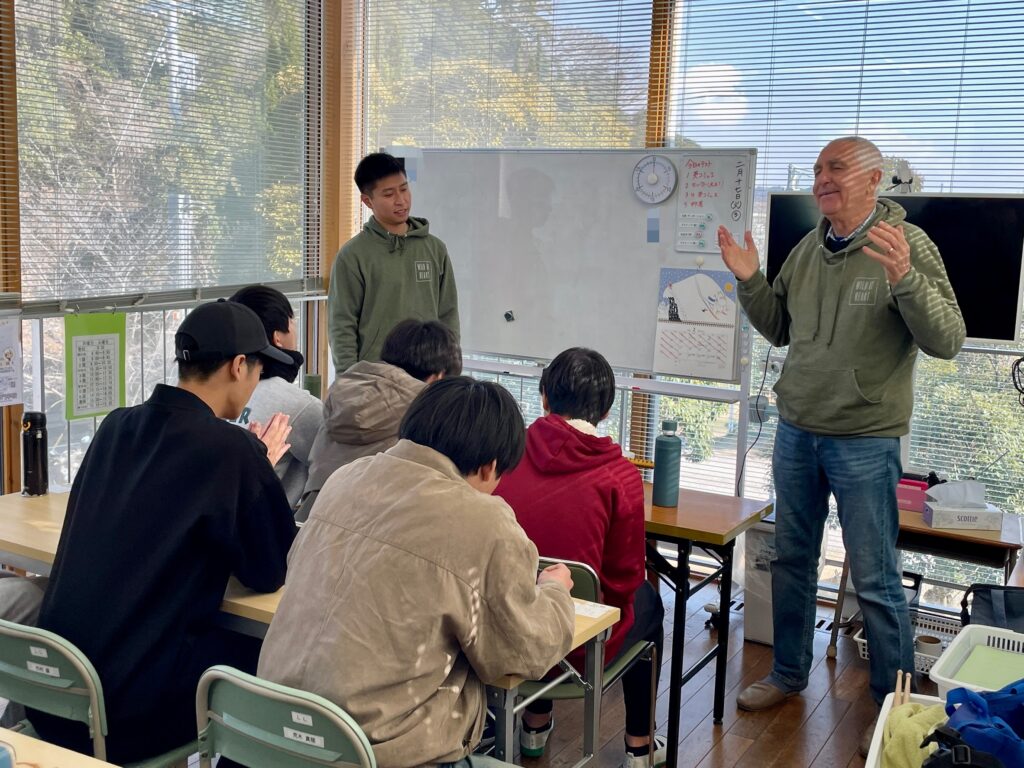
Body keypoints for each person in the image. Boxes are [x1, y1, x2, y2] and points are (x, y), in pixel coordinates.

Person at [717, 136, 965, 754]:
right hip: (797, 430)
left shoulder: (906, 244)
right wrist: (750, 280)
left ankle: (892, 710)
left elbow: (948, 340)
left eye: (837, 167)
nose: (822, 178)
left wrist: (905, 279)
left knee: (876, 578)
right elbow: (778, 327)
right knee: (793, 559)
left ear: (874, 179)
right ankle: (787, 673)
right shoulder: (808, 248)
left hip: (866, 439)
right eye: (817, 169)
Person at [29, 300, 298, 763]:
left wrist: (248, 465)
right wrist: (257, 466)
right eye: (258, 370)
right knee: (273, 653)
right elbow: (270, 570)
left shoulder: (116, 425)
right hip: (127, 718)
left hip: (54, 693)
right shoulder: (231, 450)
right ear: (239, 366)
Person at [259, 377, 575, 768]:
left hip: (268, 730)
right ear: (491, 466)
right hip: (371, 749)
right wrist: (555, 591)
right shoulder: (483, 519)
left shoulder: (346, 478)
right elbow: (523, 652)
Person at [494, 347, 665, 768]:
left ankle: (534, 725)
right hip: (577, 649)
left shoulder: (504, 455)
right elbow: (625, 579)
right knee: (648, 601)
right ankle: (640, 746)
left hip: (503, 630)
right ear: (605, 411)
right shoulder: (621, 476)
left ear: (544, 397)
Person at [297, 318, 462, 521]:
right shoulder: (424, 416)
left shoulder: (346, 392)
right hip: (367, 529)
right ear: (438, 377)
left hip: (308, 521)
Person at [328, 151, 460, 373]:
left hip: (428, 375)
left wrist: (450, 373)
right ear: (367, 201)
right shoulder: (352, 256)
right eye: (389, 194)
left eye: (404, 189)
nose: (401, 200)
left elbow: (448, 314)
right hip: (376, 377)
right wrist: (349, 380)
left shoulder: (435, 249)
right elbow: (342, 326)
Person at [230, 284, 324, 508]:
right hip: (272, 522)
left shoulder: (221, 393)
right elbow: (339, 465)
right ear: (277, 338)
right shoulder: (299, 405)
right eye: (292, 321)